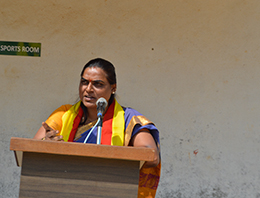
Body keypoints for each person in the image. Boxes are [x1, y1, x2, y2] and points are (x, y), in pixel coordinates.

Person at [34, 58, 161, 198]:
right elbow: (32, 150)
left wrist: (106, 158)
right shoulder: (64, 114)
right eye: (84, 82)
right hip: (66, 191)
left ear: (113, 88)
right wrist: (48, 146)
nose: (88, 89)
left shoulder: (128, 119)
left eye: (97, 84)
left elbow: (152, 156)